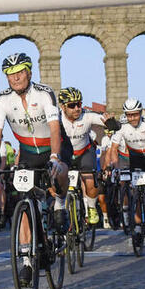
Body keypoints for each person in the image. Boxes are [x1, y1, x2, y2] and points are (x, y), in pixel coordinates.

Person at [0, 53, 67, 286]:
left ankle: (60, 203)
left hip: (52, 145)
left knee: (60, 169)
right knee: (24, 200)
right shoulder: (2, 101)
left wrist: (54, 156)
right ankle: (27, 262)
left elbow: (54, 128)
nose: (16, 78)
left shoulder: (44, 93)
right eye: (11, 75)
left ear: (29, 72)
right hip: (29, 153)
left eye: (20, 73)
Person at [56, 86, 108, 225]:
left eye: (79, 104)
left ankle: (91, 207)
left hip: (84, 152)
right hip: (65, 154)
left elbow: (105, 120)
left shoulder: (87, 115)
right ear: (62, 107)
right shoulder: (57, 118)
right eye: (72, 105)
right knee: (54, 181)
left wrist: (112, 123)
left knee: (90, 180)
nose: (77, 108)